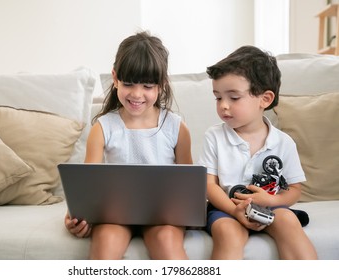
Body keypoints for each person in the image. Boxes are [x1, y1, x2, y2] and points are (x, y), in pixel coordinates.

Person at [64, 31, 192, 260]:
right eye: (129, 84)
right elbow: (86, 186)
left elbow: (189, 188)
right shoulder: (103, 128)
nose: (136, 94)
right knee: (106, 245)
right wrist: (76, 215)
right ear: (115, 78)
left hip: (162, 216)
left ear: (161, 85)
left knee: (166, 242)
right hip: (115, 215)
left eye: (147, 86)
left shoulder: (176, 127)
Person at [198, 45, 317, 260]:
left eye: (233, 98)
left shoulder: (283, 142)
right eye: (218, 97)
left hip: (269, 207)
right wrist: (234, 210)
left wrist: (271, 202)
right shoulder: (214, 136)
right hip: (226, 208)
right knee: (228, 233)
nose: (224, 106)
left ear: (265, 99)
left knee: (288, 222)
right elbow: (209, 185)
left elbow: (294, 189)